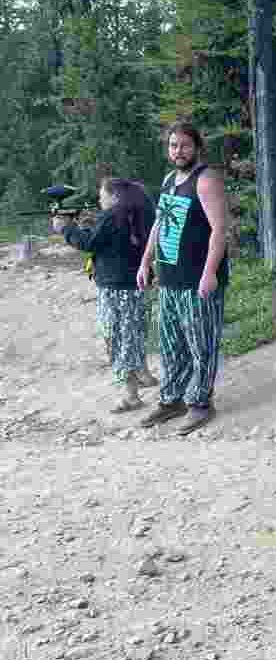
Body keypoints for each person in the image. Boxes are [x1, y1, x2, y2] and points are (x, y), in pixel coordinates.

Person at [137, 121, 230, 435]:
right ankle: (171, 399)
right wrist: (145, 261)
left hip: (198, 280)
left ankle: (200, 402)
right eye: (173, 145)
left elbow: (220, 229)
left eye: (185, 145)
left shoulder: (206, 180)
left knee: (201, 344)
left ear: (197, 147)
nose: (178, 151)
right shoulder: (168, 180)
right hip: (170, 278)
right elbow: (159, 224)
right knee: (171, 343)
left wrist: (210, 273)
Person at [53, 178, 157, 413]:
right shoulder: (139, 212)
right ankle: (144, 376)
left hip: (114, 287)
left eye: (102, 195)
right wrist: (88, 224)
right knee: (134, 334)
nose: (100, 200)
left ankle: (131, 396)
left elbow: (90, 243)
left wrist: (66, 229)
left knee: (118, 339)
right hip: (135, 284)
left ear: (114, 195)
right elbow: (111, 241)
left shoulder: (113, 215)